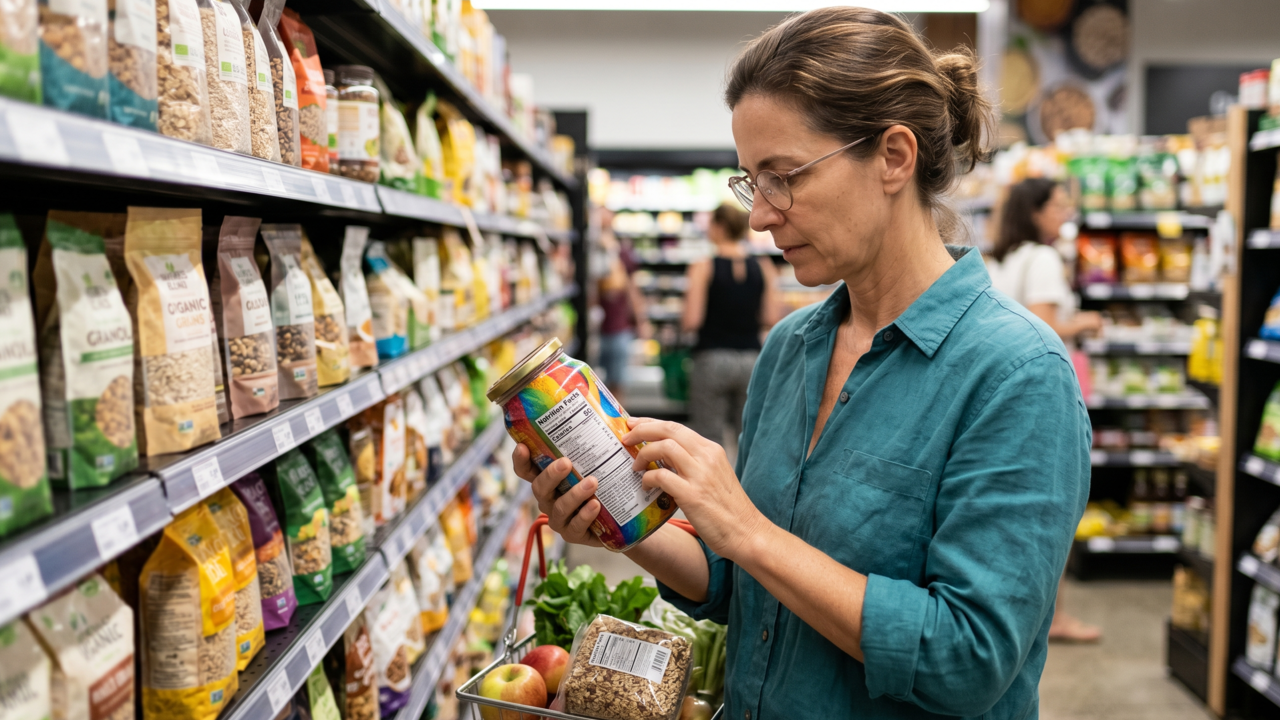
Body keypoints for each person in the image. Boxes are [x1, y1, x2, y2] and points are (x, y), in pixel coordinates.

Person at [514, 8, 1089, 720]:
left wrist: (748, 529)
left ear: (893, 157)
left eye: (783, 176)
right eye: (751, 182)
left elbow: (967, 658)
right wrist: (623, 524)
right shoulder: (793, 349)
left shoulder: (1016, 376)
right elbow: (742, 584)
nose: (760, 215)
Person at [987, 178, 1104, 644]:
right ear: (1035, 212)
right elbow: (1046, 324)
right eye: (1058, 204)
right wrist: (1088, 321)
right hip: (1045, 387)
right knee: (1053, 503)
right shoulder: (1043, 259)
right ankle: (1054, 618)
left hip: (1006, 387)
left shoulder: (1001, 257)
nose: (1066, 211)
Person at [681, 202, 781, 447]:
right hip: (751, 359)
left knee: (708, 440)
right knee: (748, 438)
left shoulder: (702, 266)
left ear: (719, 227)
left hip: (711, 358)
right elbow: (771, 318)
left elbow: (691, 320)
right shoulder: (764, 266)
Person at [595, 209, 649, 405]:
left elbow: (631, 289)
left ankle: (615, 429)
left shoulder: (621, 252)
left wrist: (641, 320)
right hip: (594, 329)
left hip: (618, 327)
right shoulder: (588, 250)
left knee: (616, 383)